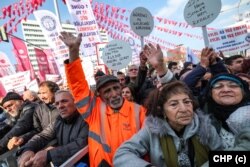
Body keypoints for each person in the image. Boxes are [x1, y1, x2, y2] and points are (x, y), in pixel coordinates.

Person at [60, 31, 146, 167]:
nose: (114, 94)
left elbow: (148, 145)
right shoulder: (93, 109)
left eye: (116, 88)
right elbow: (78, 86)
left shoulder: (139, 111)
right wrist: (73, 51)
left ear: (121, 87)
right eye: (107, 91)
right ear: (99, 95)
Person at [114, 81, 221, 167]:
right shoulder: (152, 131)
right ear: (162, 110)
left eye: (187, 102)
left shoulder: (205, 127)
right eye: (174, 104)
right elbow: (122, 154)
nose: (184, 109)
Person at [17, 90, 89, 167]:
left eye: (64, 101)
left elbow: (81, 143)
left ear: (75, 101)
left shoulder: (86, 118)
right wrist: (28, 149)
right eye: (57, 103)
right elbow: (43, 136)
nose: (60, 106)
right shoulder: (58, 121)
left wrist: (49, 155)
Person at [199, 73, 250, 150]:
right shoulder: (200, 120)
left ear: (243, 92)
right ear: (210, 93)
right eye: (218, 86)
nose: (226, 90)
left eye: (233, 86)